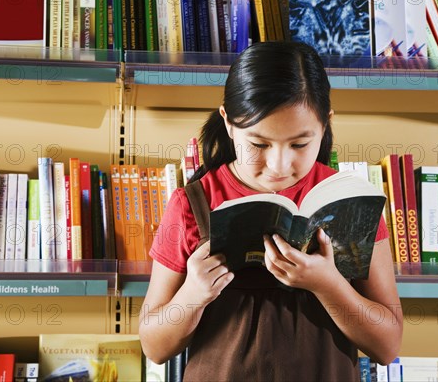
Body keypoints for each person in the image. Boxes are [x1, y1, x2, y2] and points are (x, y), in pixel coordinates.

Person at [139, 41, 403, 381]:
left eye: (299, 144)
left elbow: (387, 346)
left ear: (326, 125)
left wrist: (328, 285)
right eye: (259, 144)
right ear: (229, 124)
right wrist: (193, 294)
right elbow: (155, 348)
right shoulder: (192, 203)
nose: (279, 165)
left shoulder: (349, 201)